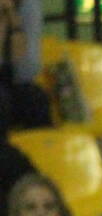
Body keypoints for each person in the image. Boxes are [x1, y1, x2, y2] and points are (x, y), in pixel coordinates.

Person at [0, 0, 50, 131]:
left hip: (11, 79)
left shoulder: (29, 4)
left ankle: (41, 143)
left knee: (36, 98)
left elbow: (28, 70)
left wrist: (12, 19)